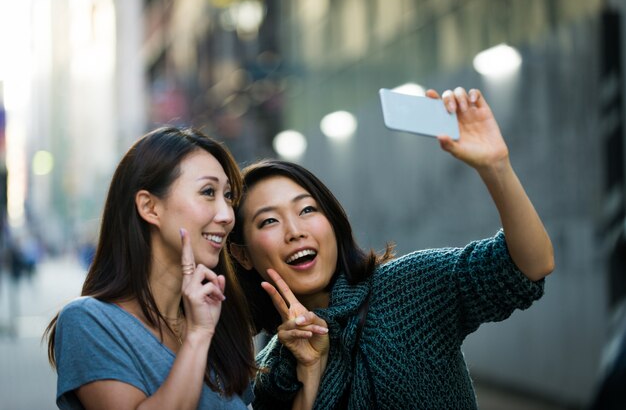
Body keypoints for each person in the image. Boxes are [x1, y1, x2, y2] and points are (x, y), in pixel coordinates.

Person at [227, 87, 555, 409]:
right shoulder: (269, 371)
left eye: (307, 210)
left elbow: (528, 266)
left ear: (332, 221)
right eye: (269, 221)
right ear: (241, 253)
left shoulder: (407, 288)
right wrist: (309, 372)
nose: (295, 231)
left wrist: (496, 167)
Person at [44, 127, 256, 409]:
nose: (227, 215)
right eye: (208, 192)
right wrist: (197, 337)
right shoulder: (89, 322)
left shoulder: (220, 323)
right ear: (149, 207)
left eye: (228, 196)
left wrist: (310, 370)